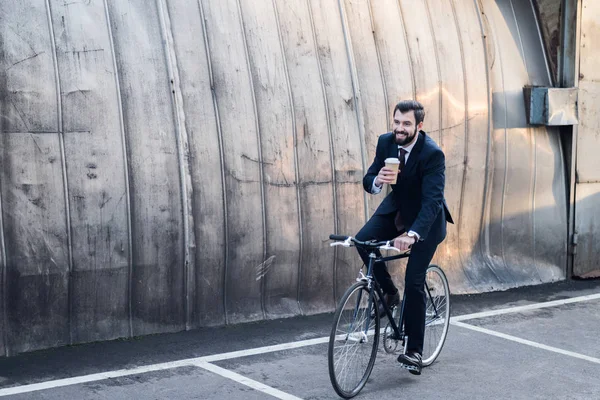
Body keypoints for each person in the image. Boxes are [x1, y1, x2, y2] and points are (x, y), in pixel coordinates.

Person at [355, 99, 453, 375]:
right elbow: (369, 178)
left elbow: (433, 201)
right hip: (397, 209)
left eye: (406, 123)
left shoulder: (432, 154)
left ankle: (414, 351)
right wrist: (378, 181)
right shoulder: (386, 142)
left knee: (414, 280)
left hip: (426, 221)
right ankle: (388, 293)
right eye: (396, 121)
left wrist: (412, 234)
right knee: (362, 241)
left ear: (419, 126)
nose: (399, 128)